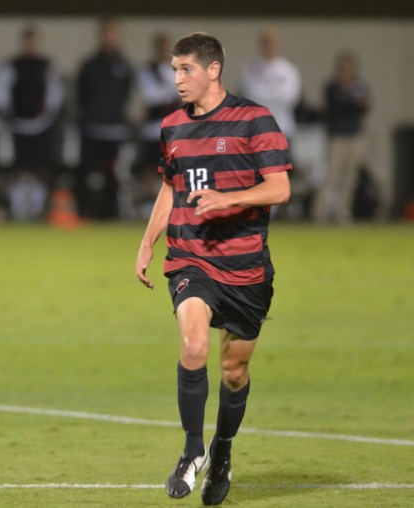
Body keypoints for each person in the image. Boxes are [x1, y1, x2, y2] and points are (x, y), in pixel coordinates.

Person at [134, 33, 291, 505]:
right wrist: (147, 241)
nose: (178, 79)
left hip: (245, 267)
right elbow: (170, 187)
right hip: (191, 256)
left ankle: (222, 451)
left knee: (234, 370)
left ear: (213, 70)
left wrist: (229, 198)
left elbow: (279, 188)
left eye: (186, 69)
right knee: (193, 343)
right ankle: (191, 451)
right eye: (174, 69)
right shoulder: (172, 127)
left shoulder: (254, 119)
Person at [0, 26, 64, 221]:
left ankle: (37, 211)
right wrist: (8, 115)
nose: (30, 45)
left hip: (41, 125)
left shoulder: (46, 65)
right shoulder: (12, 65)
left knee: (40, 170)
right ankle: (18, 211)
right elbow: (2, 92)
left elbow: (55, 94)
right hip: (17, 124)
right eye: (27, 41)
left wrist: (46, 117)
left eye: (33, 41)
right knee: (18, 169)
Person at [75, 18, 133, 220]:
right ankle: (82, 211)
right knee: (86, 172)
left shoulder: (124, 66)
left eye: (114, 34)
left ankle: (109, 214)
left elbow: (125, 94)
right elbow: (81, 95)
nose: (110, 38)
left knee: (112, 174)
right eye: (107, 34)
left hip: (114, 130)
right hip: (92, 128)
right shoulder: (90, 65)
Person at [312, 50, 371, 224]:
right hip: (337, 137)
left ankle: (343, 212)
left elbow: (364, 106)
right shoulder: (332, 86)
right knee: (331, 175)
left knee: (350, 177)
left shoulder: (359, 85)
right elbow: (335, 105)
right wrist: (350, 101)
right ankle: (320, 212)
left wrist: (351, 101)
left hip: (355, 136)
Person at [135, 33, 181, 218]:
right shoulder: (147, 70)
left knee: (172, 169)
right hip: (152, 128)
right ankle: (148, 205)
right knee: (150, 168)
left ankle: (172, 206)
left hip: (172, 129)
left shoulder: (175, 70)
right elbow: (150, 97)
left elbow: (181, 93)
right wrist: (169, 97)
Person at [240, 28, 301, 142]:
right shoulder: (250, 68)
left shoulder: (288, 70)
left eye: (273, 43)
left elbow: (291, 97)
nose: (270, 47)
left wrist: (266, 93)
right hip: (257, 129)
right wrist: (276, 92)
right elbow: (251, 95)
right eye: (266, 43)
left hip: (283, 128)